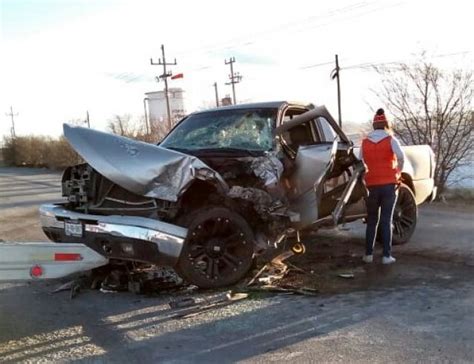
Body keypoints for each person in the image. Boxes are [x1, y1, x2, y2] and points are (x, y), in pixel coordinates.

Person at [360, 108, 405, 264]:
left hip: (371, 185)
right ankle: (386, 256)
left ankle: (368, 255)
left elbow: (360, 162)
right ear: (386, 124)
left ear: (374, 125)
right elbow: (401, 157)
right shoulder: (391, 140)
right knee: (386, 220)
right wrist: (398, 172)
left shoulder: (364, 142)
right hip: (389, 185)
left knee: (372, 220)